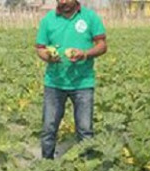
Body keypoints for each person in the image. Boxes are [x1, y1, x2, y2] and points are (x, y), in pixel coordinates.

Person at [34, 0, 107, 159]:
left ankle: (86, 166)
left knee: (85, 129)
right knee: (49, 127)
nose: (63, 1)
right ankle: (47, 164)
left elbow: (102, 45)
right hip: (54, 83)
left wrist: (85, 54)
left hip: (83, 83)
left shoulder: (90, 17)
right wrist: (47, 56)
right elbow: (40, 47)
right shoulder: (48, 20)